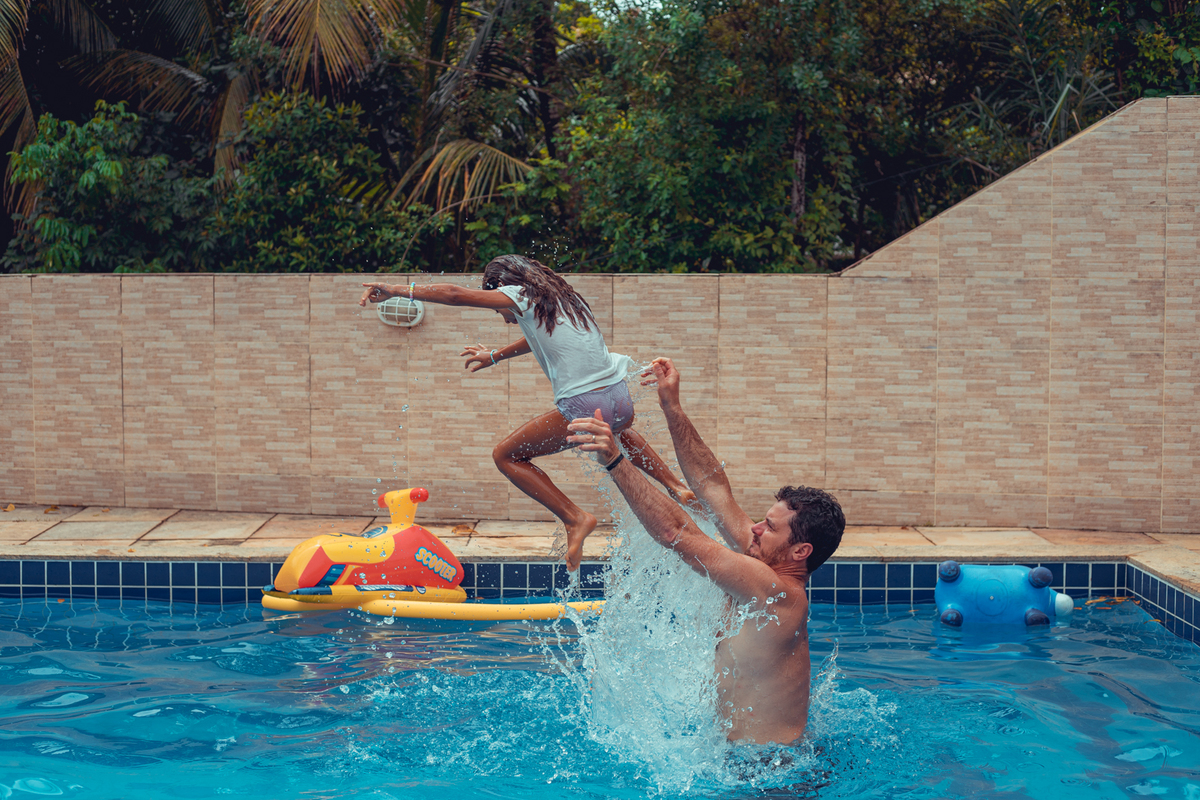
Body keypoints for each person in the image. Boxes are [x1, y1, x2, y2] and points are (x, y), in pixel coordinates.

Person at [566, 357, 844, 745]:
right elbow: (712, 487)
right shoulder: (761, 557)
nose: (755, 529)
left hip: (771, 780)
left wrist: (615, 461)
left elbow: (675, 533)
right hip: (741, 765)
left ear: (801, 552)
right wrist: (672, 407)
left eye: (770, 527)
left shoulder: (779, 595)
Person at [359, 255, 695, 570]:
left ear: (501, 286)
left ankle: (575, 518)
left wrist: (396, 290)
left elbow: (454, 294)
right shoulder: (564, 298)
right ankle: (676, 485)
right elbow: (536, 338)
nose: (499, 313)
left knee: (506, 456)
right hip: (620, 397)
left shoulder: (518, 293)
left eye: (496, 304)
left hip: (585, 401)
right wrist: (495, 356)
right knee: (615, 430)